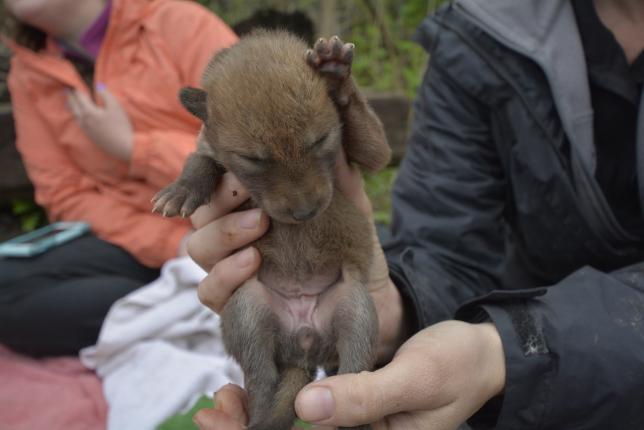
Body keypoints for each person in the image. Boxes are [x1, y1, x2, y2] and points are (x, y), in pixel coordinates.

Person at [185, 0, 644, 429]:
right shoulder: (481, 29)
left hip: (531, 354)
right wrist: (398, 308)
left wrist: (508, 349)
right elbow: (446, 244)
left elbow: (374, 153)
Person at [0, 0, 237, 357]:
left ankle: (181, 307)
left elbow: (248, 154)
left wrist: (133, 148)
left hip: (230, 228)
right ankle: (182, 304)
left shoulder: (179, 22)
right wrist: (169, 245)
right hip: (137, 242)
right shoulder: (29, 71)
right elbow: (64, 195)